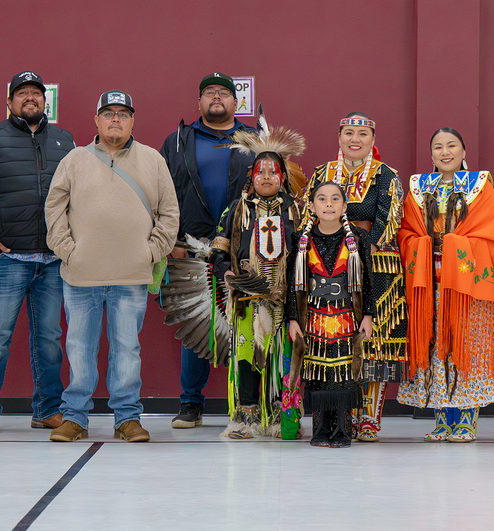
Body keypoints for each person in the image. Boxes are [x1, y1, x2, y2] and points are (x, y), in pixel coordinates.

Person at [44, 91, 179, 442]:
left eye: (122, 113)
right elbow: (54, 209)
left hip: (131, 275)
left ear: (133, 120)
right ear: (97, 120)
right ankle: (74, 417)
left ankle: (127, 418)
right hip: (80, 275)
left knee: (127, 349)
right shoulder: (74, 159)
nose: (115, 119)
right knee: (78, 347)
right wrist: (68, 251)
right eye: (108, 113)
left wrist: (150, 252)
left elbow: (170, 213)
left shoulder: (152, 160)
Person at [0, 71, 74, 434]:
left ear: (45, 102)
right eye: (21, 93)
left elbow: (77, 197)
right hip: (6, 259)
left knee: (51, 340)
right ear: (9, 102)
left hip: (53, 261)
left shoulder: (66, 141)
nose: (30, 98)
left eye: (36, 94)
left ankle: (47, 410)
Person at [397, 128, 494, 442]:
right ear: (431, 154)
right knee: (436, 347)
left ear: (463, 152)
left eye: (451, 146)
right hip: (430, 282)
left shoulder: (480, 186)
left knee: (466, 346)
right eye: (438, 147)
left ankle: (466, 421)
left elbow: (491, 234)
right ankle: (442, 420)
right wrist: (424, 246)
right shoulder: (419, 188)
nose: (445, 152)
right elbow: (406, 234)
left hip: (466, 285)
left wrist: (450, 246)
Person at [302, 112, 406, 441]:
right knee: (333, 342)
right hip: (328, 267)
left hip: (375, 264)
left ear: (373, 141)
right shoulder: (322, 174)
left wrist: (360, 251)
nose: (355, 138)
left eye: (363, 133)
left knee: (373, 343)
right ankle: (337, 418)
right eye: (349, 132)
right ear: (339, 137)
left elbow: (388, 218)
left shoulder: (386, 175)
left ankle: (369, 418)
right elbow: (308, 213)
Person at [161, 72, 256, 429]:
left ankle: (246, 401)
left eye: (224, 92)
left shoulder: (255, 139)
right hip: (192, 247)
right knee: (196, 321)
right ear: (199, 102)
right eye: (208, 93)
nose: (216, 97)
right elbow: (162, 193)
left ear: (236, 102)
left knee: (249, 325)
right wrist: (171, 240)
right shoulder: (178, 142)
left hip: (245, 248)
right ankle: (191, 403)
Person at [209, 119, 306, 438]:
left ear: (283, 177)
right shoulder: (237, 209)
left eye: (272, 172)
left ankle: (281, 415)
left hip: (285, 299)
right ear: (251, 175)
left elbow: (305, 254)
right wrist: (227, 271)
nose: (266, 177)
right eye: (260, 171)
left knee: (280, 356)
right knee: (248, 353)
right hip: (246, 302)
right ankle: (245, 417)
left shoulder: (296, 211)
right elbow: (219, 249)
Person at [286, 182, 376, 447]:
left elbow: (368, 281)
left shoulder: (358, 237)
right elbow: (293, 283)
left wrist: (368, 315)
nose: (328, 204)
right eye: (321, 199)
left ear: (344, 206)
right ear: (311, 206)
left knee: (344, 373)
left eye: (335, 199)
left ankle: (342, 430)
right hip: (313, 319)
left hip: (347, 317)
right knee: (317, 373)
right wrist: (293, 318)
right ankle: (320, 430)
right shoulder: (302, 239)